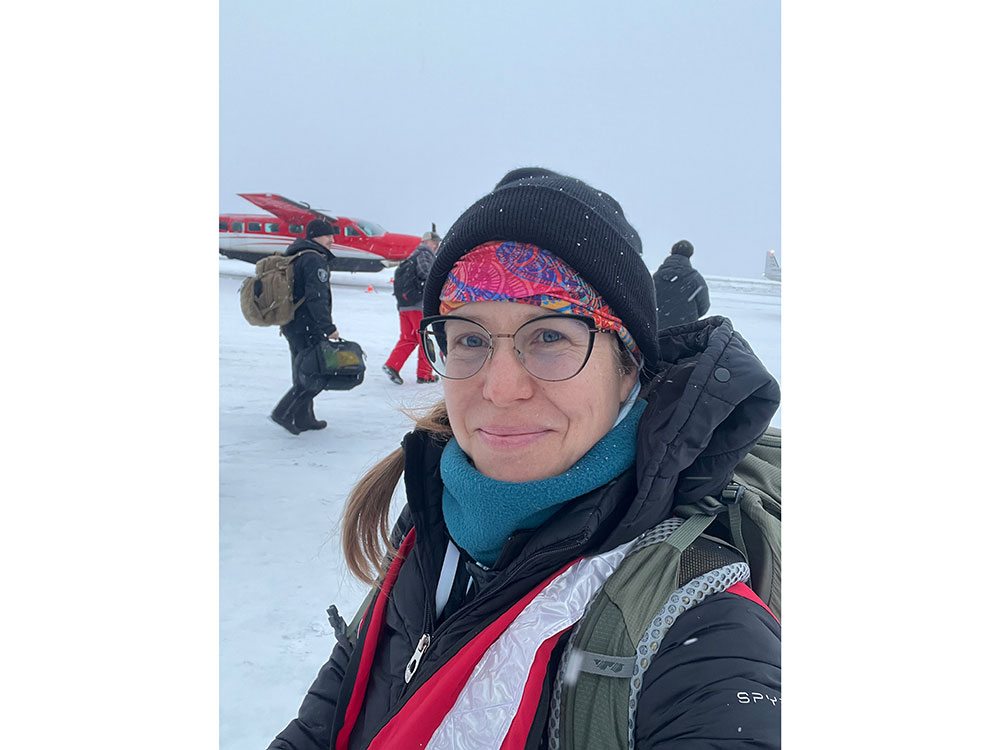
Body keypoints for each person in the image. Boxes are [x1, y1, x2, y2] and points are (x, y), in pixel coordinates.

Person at [268, 168, 781, 749]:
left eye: (550, 335)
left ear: (628, 366)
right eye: (469, 338)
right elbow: (329, 714)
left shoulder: (698, 627)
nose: (500, 387)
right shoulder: (434, 521)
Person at [271, 218, 342, 434]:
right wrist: (328, 327)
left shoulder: (297, 254)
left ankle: (304, 417)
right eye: (327, 235)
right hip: (308, 326)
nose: (332, 239)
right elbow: (316, 297)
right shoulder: (313, 259)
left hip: (293, 323)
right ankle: (283, 412)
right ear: (315, 237)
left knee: (302, 370)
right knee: (315, 373)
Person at [382, 231, 442, 385]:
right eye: (435, 243)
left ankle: (392, 365)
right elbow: (427, 274)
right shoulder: (424, 254)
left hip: (404, 305)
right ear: (430, 242)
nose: (436, 246)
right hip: (418, 305)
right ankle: (424, 375)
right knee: (425, 338)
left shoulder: (412, 255)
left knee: (408, 337)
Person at [651, 239, 711, 330]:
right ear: (690, 255)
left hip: (657, 330)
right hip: (684, 333)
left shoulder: (656, 277)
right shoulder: (695, 278)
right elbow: (704, 306)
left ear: (671, 252)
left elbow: (646, 301)